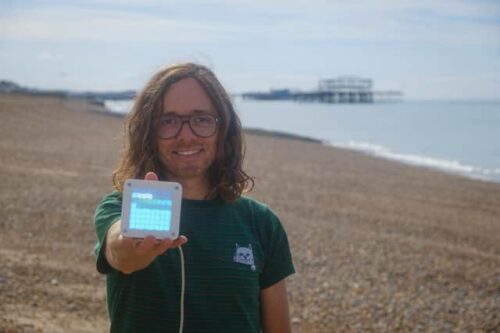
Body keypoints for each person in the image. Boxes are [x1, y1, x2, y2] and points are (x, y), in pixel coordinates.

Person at [93, 62, 295, 333]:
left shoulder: (260, 222)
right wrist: (130, 246)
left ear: (223, 130)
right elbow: (120, 252)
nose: (186, 136)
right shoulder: (121, 206)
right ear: (148, 133)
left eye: (201, 119)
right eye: (168, 121)